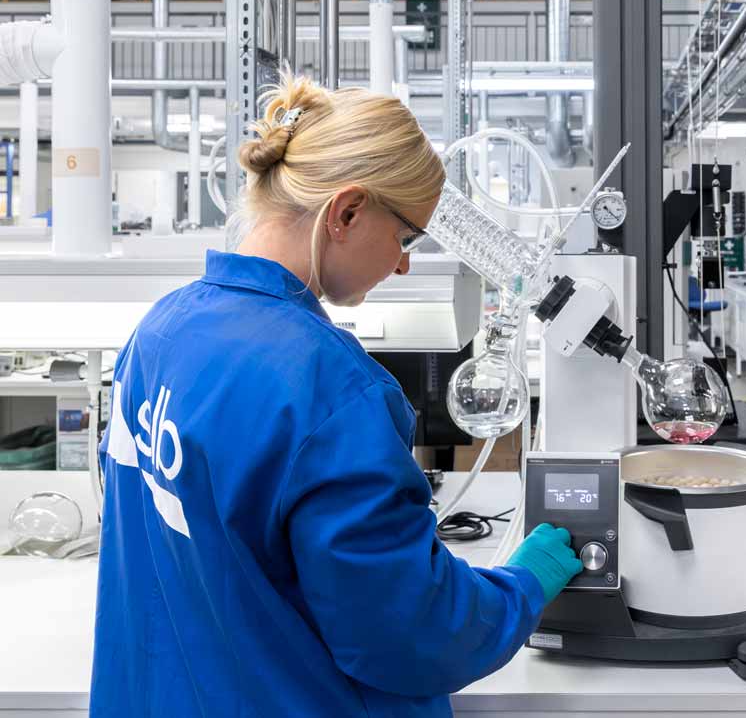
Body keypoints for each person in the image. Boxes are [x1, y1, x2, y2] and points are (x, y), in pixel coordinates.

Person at [91, 73, 582, 717]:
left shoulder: (161, 328)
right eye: (406, 237)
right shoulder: (328, 388)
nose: (403, 263)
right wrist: (521, 586)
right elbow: (412, 633)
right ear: (347, 212)